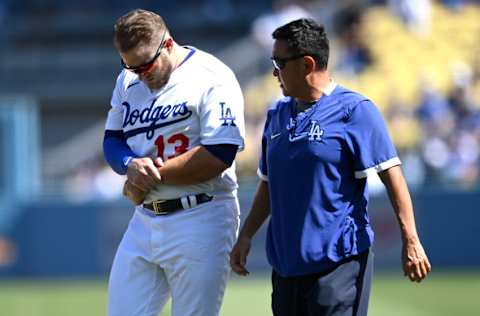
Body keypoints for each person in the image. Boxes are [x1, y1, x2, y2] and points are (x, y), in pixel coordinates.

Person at [230, 18, 431, 316]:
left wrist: (411, 240)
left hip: (339, 264)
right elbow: (269, 184)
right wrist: (246, 235)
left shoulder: (355, 110)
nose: (274, 71)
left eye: (279, 62)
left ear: (307, 64)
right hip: (285, 266)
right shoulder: (276, 115)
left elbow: (394, 177)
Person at [102, 9, 245, 316]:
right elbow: (112, 139)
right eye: (131, 66)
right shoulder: (128, 79)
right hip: (145, 218)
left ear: (167, 45)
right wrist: (130, 163)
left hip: (201, 215)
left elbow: (220, 153)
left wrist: (150, 176)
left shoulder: (211, 75)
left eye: (146, 64)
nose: (141, 74)